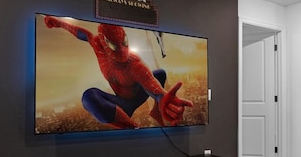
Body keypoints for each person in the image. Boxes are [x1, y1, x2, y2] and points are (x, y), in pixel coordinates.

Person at [44, 15, 193, 129]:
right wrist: (60, 23)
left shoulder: (135, 64)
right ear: (103, 43)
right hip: (121, 106)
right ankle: (134, 128)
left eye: (124, 43)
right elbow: (85, 35)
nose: (122, 51)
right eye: (114, 46)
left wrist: (163, 98)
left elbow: (151, 83)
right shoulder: (98, 46)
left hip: (137, 96)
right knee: (89, 96)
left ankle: (155, 112)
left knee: (160, 73)